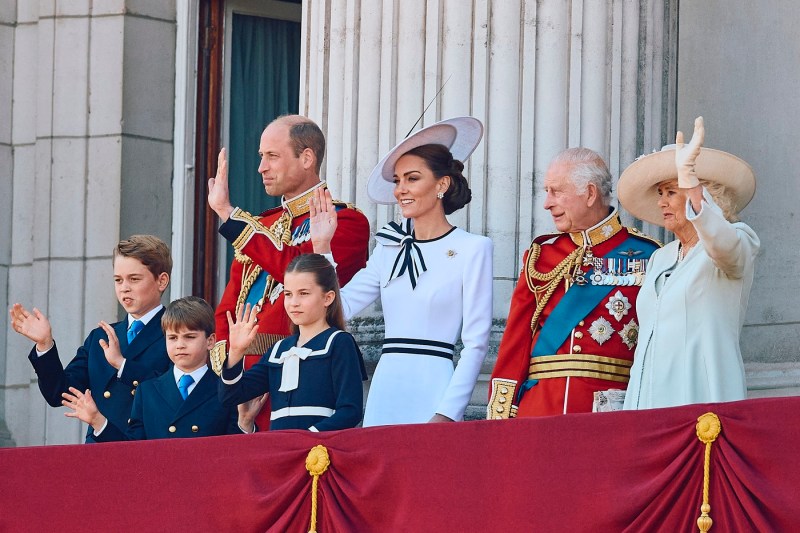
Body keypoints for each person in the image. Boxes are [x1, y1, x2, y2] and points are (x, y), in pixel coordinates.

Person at [311, 117, 493, 426]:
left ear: (442, 185)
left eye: (412, 178)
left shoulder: (473, 248)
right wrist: (322, 247)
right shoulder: (388, 247)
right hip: (386, 389)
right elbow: (341, 307)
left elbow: (476, 343)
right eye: (397, 180)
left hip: (436, 388)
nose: (400, 190)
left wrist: (448, 412)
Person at [207, 114, 370, 430]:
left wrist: (229, 214)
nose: (261, 168)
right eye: (261, 157)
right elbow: (229, 309)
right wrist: (233, 364)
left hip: (304, 378)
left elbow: (297, 270)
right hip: (243, 383)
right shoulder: (260, 226)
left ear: (307, 157)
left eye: (272, 156)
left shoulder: (346, 221)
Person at [488, 148, 661, 419]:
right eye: (546, 191)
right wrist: (501, 417)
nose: (546, 203)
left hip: (611, 412)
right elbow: (515, 345)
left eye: (556, 191)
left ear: (590, 194)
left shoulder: (649, 255)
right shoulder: (541, 256)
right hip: (540, 411)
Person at [618, 117, 759, 409]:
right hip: (647, 407)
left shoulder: (737, 242)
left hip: (700, 401)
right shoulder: (661, 257)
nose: (662, 202)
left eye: (671, 191)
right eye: (661, 193)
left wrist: (690, 184)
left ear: (704, 194)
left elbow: (724, 246)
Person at [9, 235, 173, 442]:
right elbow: (59, 393)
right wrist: (45, 345)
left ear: (161, 281)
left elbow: (171, 395)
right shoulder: (100, 337)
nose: (124, 288)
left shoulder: (175, 335)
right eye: (118, 280)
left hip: (147, 452)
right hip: (98, 452)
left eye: (134, 279)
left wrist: (123, 365)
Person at [61, 297, 264, 439]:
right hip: (157, 493)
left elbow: (233, 457)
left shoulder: (224, 392)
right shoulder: (147, 390)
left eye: (190, 337)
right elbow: (131, 453)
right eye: (172, 338)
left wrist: (245, 423)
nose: (180, 345)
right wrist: (98, 421)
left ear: (210, 341)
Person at [220, 254, 366, 431]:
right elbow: (230, 396)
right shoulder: (278, 350)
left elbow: (351, 410)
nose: (294, 303)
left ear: (328, 298)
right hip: (280, 450)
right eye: (288, 294)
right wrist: (235, 352)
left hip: (320, 452)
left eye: (303, 294)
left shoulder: (339, 342)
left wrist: (308, 437)